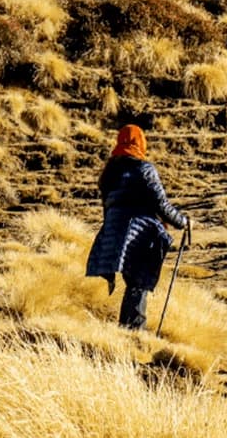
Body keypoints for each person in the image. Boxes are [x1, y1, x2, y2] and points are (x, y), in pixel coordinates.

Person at [86, 124, 190, 329]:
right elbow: (162, 205)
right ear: (140, 143)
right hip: (139, 234)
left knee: (132, 282)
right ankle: (134, 332)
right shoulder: (145, 169)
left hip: (114, 235)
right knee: (139, 283)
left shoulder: (110, 174)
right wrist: (183, 222)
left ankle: (127, 331)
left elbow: (107, 208)